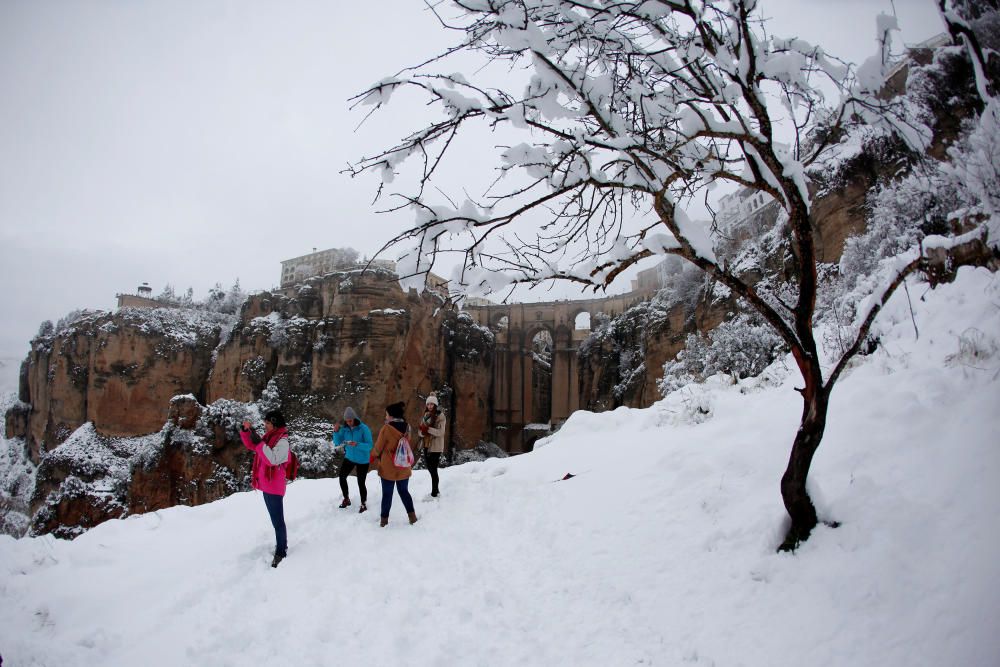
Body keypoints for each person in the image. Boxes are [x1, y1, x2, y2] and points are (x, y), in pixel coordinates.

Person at [240, 410, 291, 568]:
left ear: (274, 424)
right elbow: (252, 446)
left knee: (278, 522)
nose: (265, 425)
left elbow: (272, 459)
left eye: (267, 423)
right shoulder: (269, 437)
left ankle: (281, 551)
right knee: (275, 520)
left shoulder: (282, 441)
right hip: (266, 486)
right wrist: (247, 432)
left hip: (274, 488)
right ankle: (281, 547)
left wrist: (260, 443)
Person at [371, 401, 417, 527]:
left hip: (388, 467)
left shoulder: (386, 428)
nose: (385, 417)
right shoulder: (408, 427)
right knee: (404, 491)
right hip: (403, 465)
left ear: (391, 415)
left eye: (386, 414)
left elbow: (378, 447)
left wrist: (372, 455)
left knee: (387, 494)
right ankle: (412, 517)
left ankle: (384, 521)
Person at [332, 406, 373, 513]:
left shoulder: (363, 428)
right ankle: (346, 499)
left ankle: (363, 504)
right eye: (347, 421)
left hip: (363, 460)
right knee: (342, 477)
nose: (349, 422)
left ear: (354, 418)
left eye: (350, 420)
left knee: (361, 482)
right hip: (349, 457)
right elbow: (337, 443)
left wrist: (357, 444)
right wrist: (336, 432)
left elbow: (369, 446)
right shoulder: (344, 429)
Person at [418, 394, 446, 497]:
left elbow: (441, 432)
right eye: (428, 404)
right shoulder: (426, 415)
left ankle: (435, 492)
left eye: (432, 404)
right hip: (426, 445)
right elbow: (420, 431)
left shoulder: (440, 416)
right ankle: (435, 491)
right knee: (430, 469)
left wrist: (428, 430)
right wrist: (422, 432)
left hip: (436, 446)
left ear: (435, 404)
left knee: (433, 469)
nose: (430, 406)